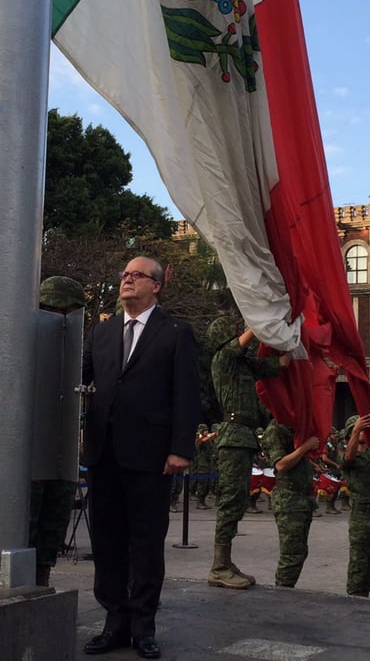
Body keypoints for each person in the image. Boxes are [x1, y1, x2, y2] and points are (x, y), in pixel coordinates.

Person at [82, 256, 201, 659]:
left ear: (157, 285)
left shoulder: (175, 331)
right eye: (124, 275)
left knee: (146, 543)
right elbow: (80, 378)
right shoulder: (102, 332)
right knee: (107, 541)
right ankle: (114, 623)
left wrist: (181, 448)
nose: (127, 280)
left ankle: (143, 627)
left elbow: (187, 393)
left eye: (137, 275)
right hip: (104, 455)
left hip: (152, 457)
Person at [206, 316, 292, 590]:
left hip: (244, 436)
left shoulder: (243, 364)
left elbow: (280, 365)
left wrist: (293, 336)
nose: (238, 334)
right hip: (233, 436)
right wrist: (260, 316)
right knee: (231, 501)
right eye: (233, 331)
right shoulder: (224, 359)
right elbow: (244, 339)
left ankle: (226, 562)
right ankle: (219, 567)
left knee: (240, 498)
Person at [30, 275, 86, 586]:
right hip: (26, 456)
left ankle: (42, 582)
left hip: (62, 455)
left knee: (53, 525)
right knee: (23, 526)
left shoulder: (76, 344)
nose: (63, 319)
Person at [262, 420, 319, 587]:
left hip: (302, 499)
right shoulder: (275, 429)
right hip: (289, 499)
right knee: (291, 554)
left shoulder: (293, 427)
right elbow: (280, 464)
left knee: (299, 552)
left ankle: (285, 589)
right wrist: (306, 446)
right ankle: (282, 593)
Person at [339, 414, 370, 598]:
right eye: (355, 431)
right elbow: (347, 459)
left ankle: (364, 593)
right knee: (359, 560)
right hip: (361, 514)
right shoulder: (347, 454)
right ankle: (355, 595)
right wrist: (356, 429)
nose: (360, 435)